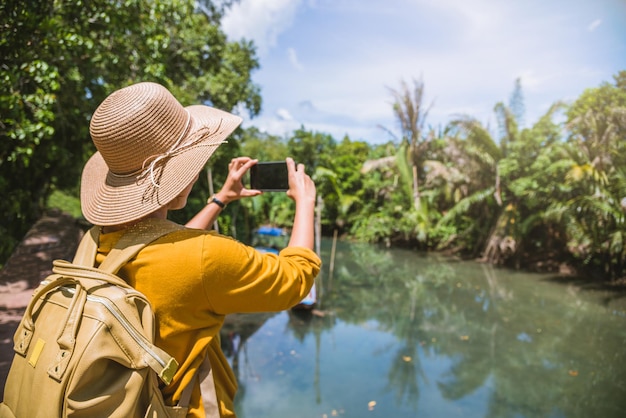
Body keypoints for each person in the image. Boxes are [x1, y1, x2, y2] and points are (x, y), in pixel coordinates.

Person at [80, 82, 321, 417]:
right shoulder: (205, 257)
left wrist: (220, 199)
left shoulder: (93, 242)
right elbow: (296, 279)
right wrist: (305, 203)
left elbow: (166, 248)